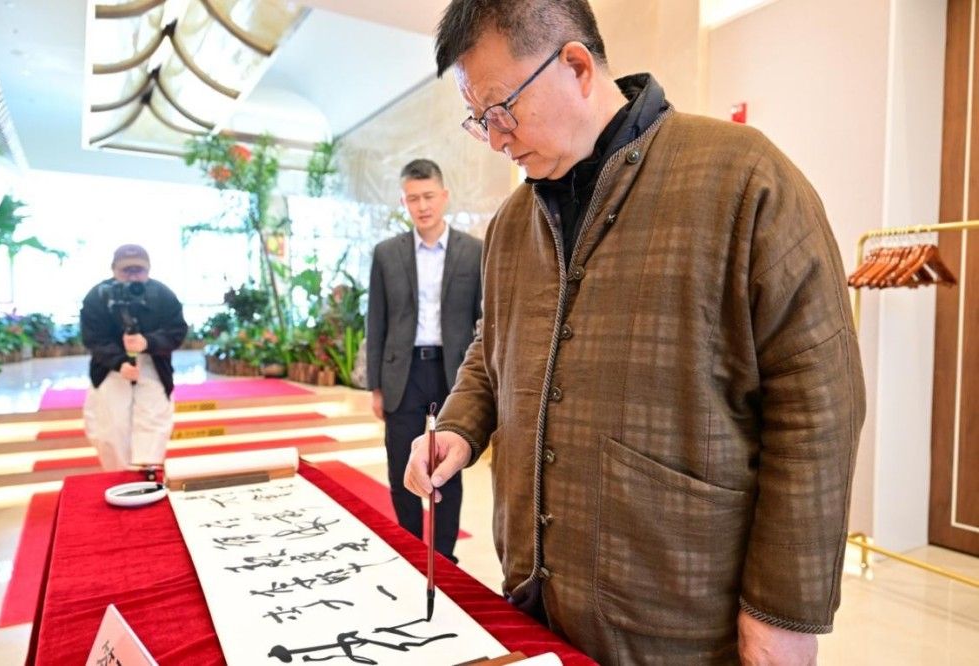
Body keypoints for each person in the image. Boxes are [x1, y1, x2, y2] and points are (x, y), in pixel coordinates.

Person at [404, 1, 866, 663]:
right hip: (534, 594)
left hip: (680, 615)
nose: (496, 137)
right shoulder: (510, 224)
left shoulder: (742, 178)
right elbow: (492, 345)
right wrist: (458, 427)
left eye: (502, 109)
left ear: (575, 66)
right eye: (479, 120)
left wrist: (783, 612)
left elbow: (819, 404)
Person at [366, 159, 483, 562]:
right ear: (404, 201)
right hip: (403, 372)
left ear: (444, 196)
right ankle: (412, 552)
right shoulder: (386, 254)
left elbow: (483, 320)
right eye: (413, 198)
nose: (422, 206)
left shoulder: (473, 252)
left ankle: (445, 557)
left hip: (454, 373)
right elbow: (376, 321)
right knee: (402, 466)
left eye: (429, 196)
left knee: (448, 466)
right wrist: (375, 386)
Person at [80, 244, 187, 471]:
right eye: (126, 270)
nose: (132, 276)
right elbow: (93, 338)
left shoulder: (163, 295)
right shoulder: (97, 297)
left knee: (154, 422)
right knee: (111, 426)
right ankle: (118, 476)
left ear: (148, 269)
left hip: (153, 366)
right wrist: (118, 362)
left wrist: (148, 342)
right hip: (110, 370)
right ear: (113, 270)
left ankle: (148, 474)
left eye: (138, 270)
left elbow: (176, 331)